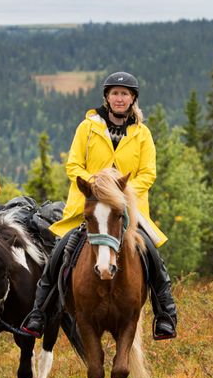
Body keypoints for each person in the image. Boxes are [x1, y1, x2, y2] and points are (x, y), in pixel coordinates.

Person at [19, 71, 178, 340]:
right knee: (60, 252)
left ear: (132, 99)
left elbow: (148, 173)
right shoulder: (87, 128)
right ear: (106, 97)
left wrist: (121, 195)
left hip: (127, 210)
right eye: (115, 93)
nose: (119, 98)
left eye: (124, 94)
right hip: (90, 207)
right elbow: (74, 166)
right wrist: (98, 189)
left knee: (151, 253)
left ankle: (166, 313)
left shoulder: (142, 134)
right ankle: (38, 312)